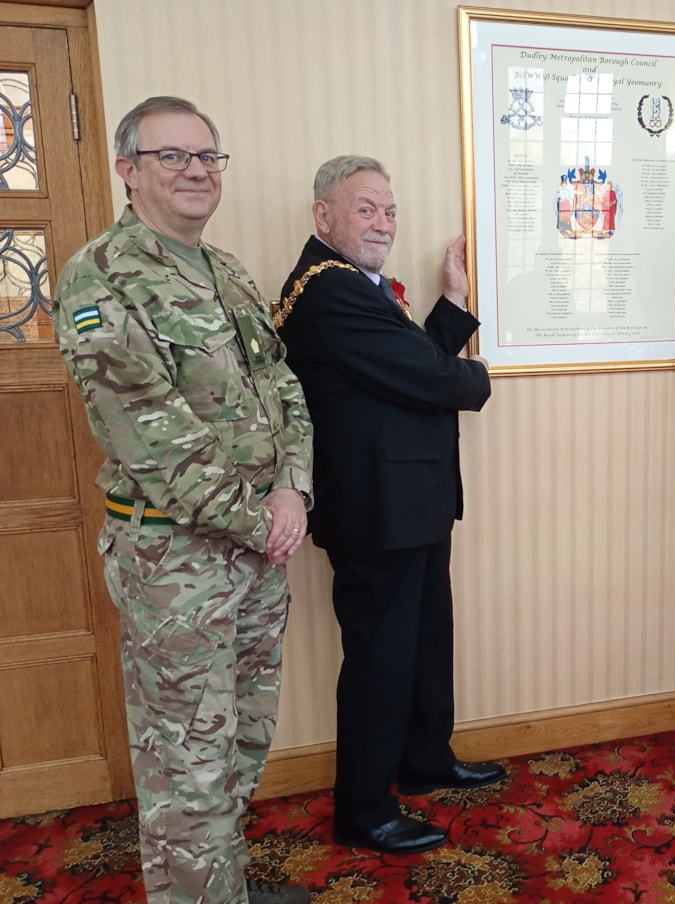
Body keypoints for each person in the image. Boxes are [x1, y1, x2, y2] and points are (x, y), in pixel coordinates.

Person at [51, 96, 313, 904]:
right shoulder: (101, 276)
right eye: (172, 156)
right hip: (176, 559)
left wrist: (293, 488)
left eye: (207, 156)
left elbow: (283, 385)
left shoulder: (226, 271)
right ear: (128, 171)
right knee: (186, 762)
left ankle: (221, 887)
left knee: (240, 742)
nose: (196, 170)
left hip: (258, 547)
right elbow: (150, 434)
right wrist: (261, 520)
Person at [275, 155, 504, 857]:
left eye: (390, 210)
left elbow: (404, 365)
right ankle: (365, 809)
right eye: (366, 208)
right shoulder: (328, 289)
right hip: (378, 509)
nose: (383, 223)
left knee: (426, 638)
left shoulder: (355, 284)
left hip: (409, 499)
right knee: (381, 657)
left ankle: (425, 757)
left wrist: (453, 302)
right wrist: (474, 375)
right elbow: (430, 376)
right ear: (324, 215)